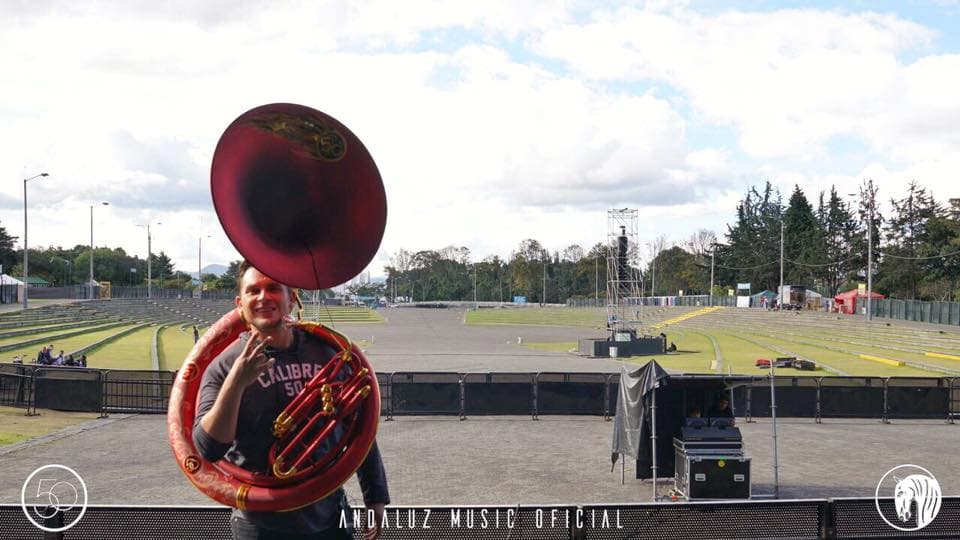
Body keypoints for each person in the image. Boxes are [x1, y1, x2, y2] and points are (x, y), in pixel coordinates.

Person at [193, 261, 389, 540]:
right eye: (253, 290)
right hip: (260, 526)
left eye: (273, 288)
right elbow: (209, 448)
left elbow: (359, 427)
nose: (263, 297)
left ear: (292, 299)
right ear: (240, 303)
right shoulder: (223, 367)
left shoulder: (327, 352)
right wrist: (235, 383)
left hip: (330, 515)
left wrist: (375, 498)